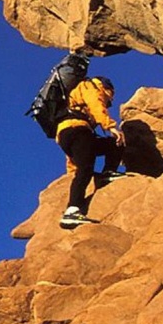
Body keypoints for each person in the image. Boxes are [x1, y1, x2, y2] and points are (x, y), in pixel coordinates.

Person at [56, 74, 125, 228]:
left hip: (69, 134)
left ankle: (107, 174)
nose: (109, 102)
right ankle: (72, 211)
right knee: (86, 169)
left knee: (113, 144)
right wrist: (110, 126)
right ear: (107, 89)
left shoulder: (78, 96)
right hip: (78, 130)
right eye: (110, 98)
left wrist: (71, 169)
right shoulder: (91, 87)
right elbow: (96, 105)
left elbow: (74, 154)